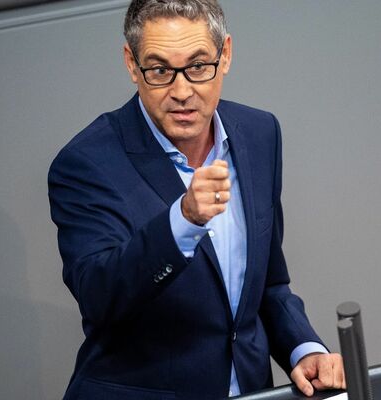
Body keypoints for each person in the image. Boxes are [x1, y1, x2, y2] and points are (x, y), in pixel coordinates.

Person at [47, 0, 345, 398]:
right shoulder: (86, 163)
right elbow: (100, 297)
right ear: (131, 64)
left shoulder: (259, 134)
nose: (182, 91)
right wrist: (182, 221)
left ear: (226, 56)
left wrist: (302, 348)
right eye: (159, 71)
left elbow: (269, 284)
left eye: (198, 66)